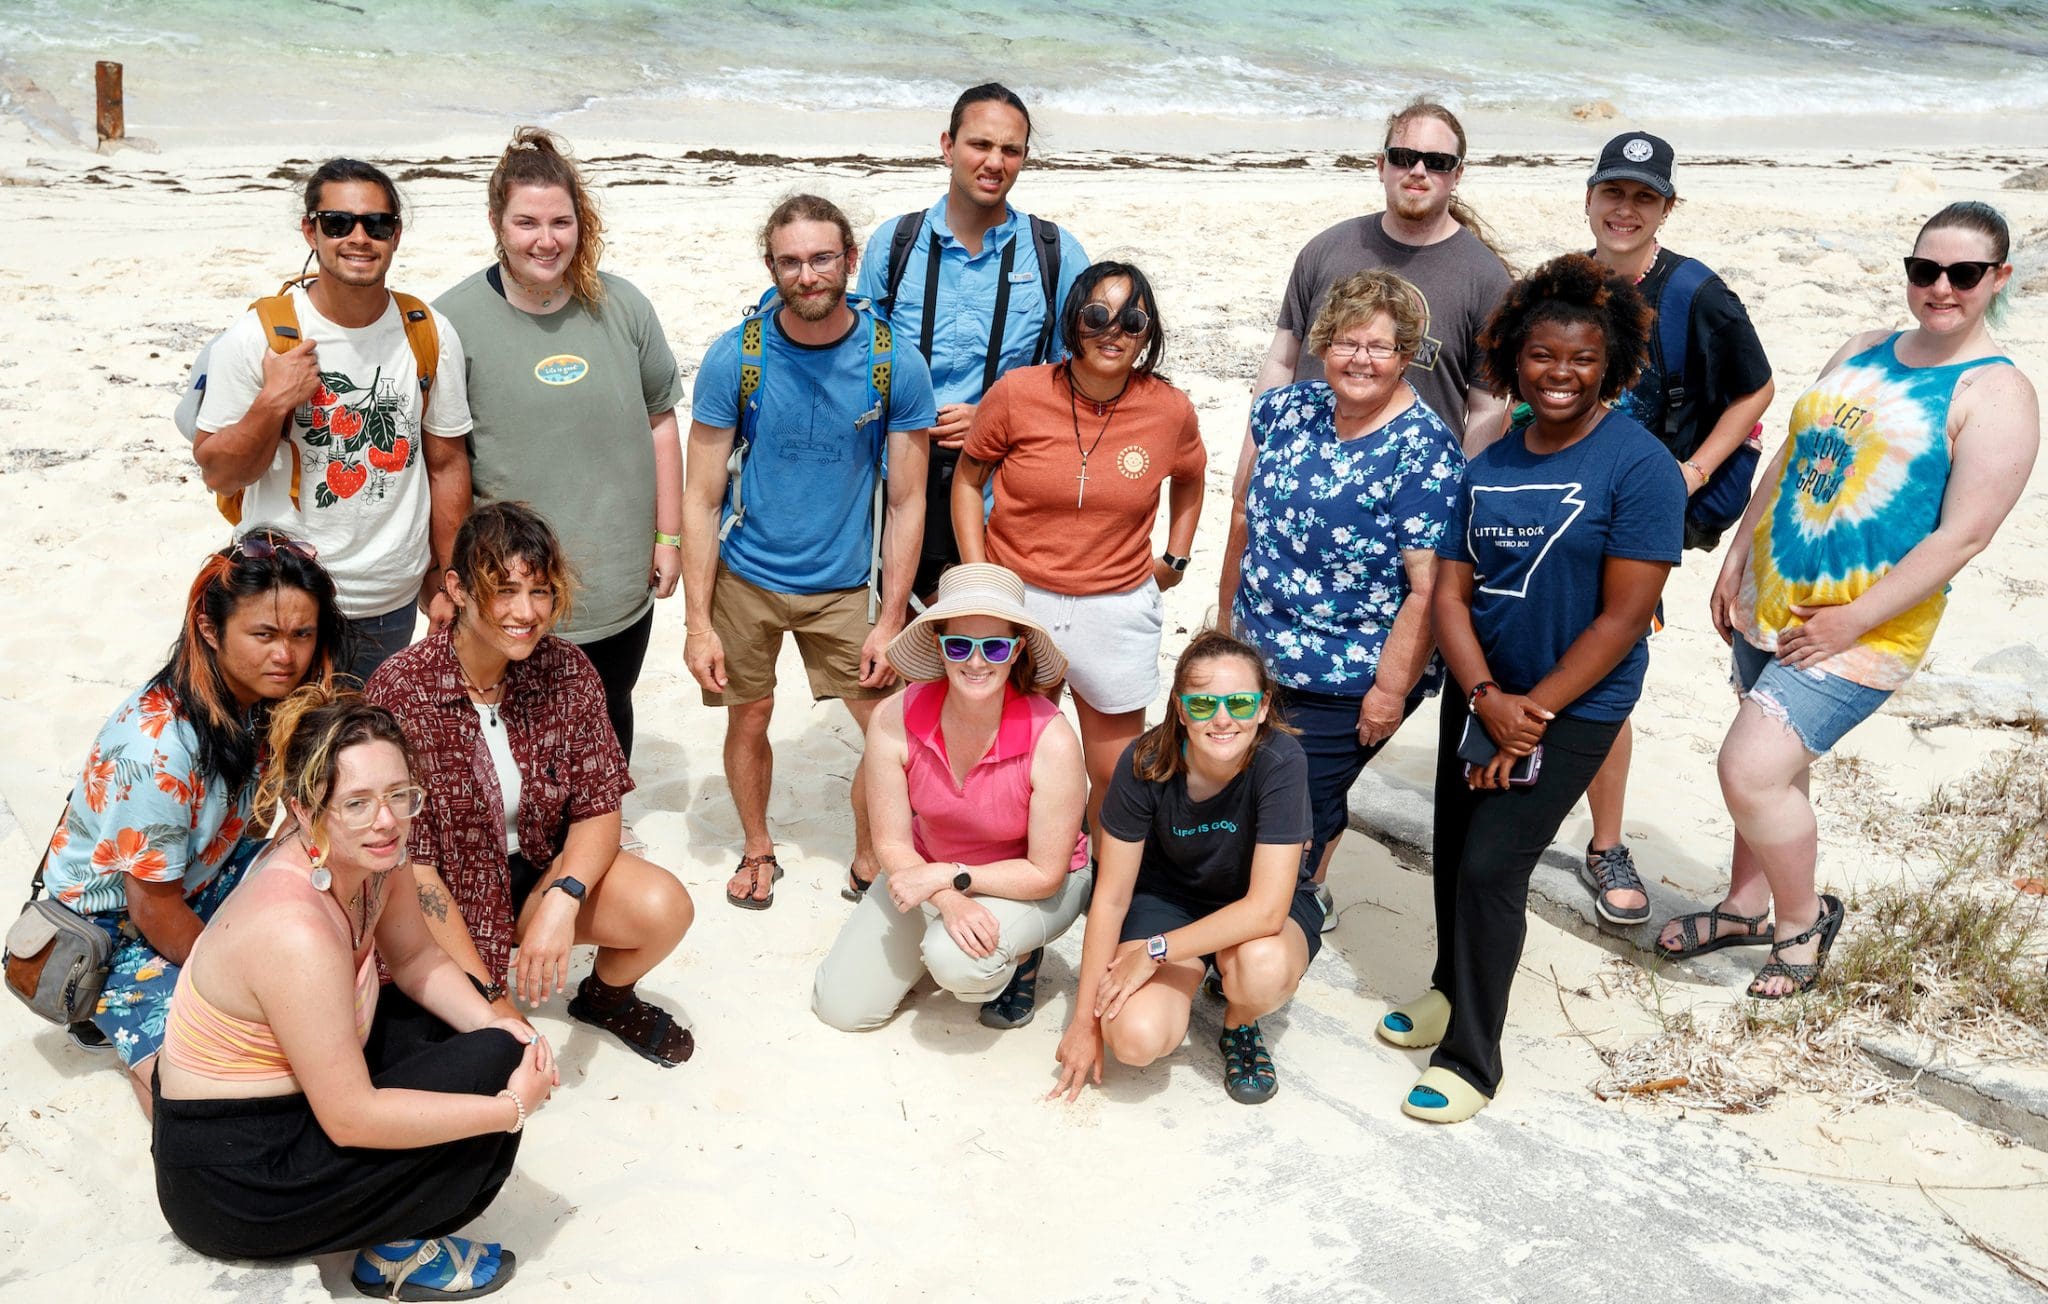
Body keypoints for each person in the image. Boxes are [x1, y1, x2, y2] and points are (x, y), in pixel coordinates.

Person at [1658, 202, 2040, 997]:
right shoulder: (1863, 347)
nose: (1940, 287)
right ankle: (1745, 906)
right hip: (1776, 592)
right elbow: (1796, 454)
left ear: (1998, 279)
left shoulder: (1996, 393)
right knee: (1778, 767)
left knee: (1751, 769)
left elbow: (1962, 539)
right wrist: (1736, 557)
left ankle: (1801, 924)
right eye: (1924, 270)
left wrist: (1853, 620)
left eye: (1963, 274)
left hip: (1864, 627)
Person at [1384, 254, 1682, 1124]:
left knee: (1491, 869)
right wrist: (1484, 698)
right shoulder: (1490, 464)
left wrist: (1534, 714)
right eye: (1543, 356)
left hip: (1572, 706)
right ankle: (1447, 989)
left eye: (1582, 360)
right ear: (1514, 357)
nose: (1560, 374)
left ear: (1612, 366)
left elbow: (1624, 618)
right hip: (1482, 696)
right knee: (1453, 853)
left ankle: (1473, 1056)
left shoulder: (1640, 467)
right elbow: (1450, 591)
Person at [153, 686, 553, 1298]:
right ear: (305, 807)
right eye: (357, 802)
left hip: (287, 1108)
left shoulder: (375, 854)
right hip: (238, 1180)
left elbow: (418, 960)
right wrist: (511, 1108)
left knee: (487, 1035)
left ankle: (397, 1216)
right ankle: (397, 1248)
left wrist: (512, 1029)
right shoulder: (294, 930)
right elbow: (349, 1118)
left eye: (399, 795)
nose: (387, 819)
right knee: (494, 1071)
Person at [367, 503, 697, 1067]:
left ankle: (603, 999)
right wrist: (498, 1003)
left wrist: (561, 903)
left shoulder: (568, 670)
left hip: (538, 870)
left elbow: (598, 807)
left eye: (540, 592)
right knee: (493, 1056)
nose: (526, 613)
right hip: (442, 895)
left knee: (664, 907)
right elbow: (410, 870)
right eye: (505, 591)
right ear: (460, 589)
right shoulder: (402, 691)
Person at [683, 194, 936, 910]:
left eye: (823, 258)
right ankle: (758, 847)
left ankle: (867, 852)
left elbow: (910, 500)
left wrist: (890, 621)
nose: (808, 275)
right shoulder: (738, 356)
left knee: (886, 726)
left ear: (850, 261)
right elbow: (701, 497)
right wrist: (698, 624)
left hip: (844, 586)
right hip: (747, 578)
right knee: (750, 717)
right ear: (772, 266)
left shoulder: (893, 361)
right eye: (791, 261)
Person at [38, 531, 344, 1113]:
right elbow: (151, 905)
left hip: (204, 878)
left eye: (303, 634)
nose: (287, 655)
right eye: (264, 634)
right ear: (210, 628)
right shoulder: (158, 746)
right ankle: (113, 1022)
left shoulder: (259, 701)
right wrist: (232, 978)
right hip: (118, 928)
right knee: (204, 1091)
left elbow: (254, 827)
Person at [1563, 131, 1776, 928]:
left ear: (1667, 207)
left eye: (1643, 197)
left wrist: (1690, 472)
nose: (1625, 210)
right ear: (1588, 197)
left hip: (1636, 528)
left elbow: (1755, 392)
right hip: (1553, 509)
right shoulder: (1561, 283)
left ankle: (1606, 843)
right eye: (1613, 193)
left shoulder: (1697, 293)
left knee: (1607, 681)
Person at [1219, 269, 1466, 933]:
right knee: (1237, 792)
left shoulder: (1425, 451)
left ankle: (1269, 938)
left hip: (1351, 673)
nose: (1360, 358)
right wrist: (1222, 632)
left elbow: (1428, 588)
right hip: (1256, 650)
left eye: (1379, 347)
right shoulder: (1283, 410)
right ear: (1324, 345)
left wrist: (1389, 690)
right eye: (1347, 342)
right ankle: (1273, 915)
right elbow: (1244, 520)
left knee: (1296, 811)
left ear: (1406, 355)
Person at [435, 127, 684, 762]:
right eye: (526, 222)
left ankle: (604, 836)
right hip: (508, 578)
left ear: (582, 222)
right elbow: (443, 462)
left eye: (561, 222)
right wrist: (444, 576)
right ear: (496, 221)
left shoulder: (623, 307)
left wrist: (668, 537)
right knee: (515, 719)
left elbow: (661, 422)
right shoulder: (452, 321)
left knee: (608, 704)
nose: (546, 240)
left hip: (615, 570)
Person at [192, 158, 474, 683]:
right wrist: (273, 401)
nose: (359, 237)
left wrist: (447, 576)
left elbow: (446, 463)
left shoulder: (429, 331)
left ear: (396, 234)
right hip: (281, 599)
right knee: (278, 753)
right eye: (338, 223)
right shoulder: (262, 336)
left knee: (358, 750)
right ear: (311, 230)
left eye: (377, 224)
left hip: (388, 601)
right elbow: (220, 474)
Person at [954, 261, 1205, 851]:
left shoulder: (1169, 409)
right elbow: (968, 481)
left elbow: (1191, 479)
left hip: (1115, 607)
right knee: (1015, 758)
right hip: (1020, 601)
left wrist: (1176, 557)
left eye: (1131, 320)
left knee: (1115, 773)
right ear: (1074, 320)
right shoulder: (1018, 392)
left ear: (1148, 333)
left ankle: (1102, 883)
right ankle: (1023, 871)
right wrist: (979, 575)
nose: (1112, 331)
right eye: (1097, 315)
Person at [811, 563, 1089, 1032]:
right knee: (840, 1009)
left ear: (1016, 650)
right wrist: (948, 898)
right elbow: (894, 845)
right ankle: (943, 935)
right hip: (930, 872)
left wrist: (949, 879)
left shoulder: (1053, 740)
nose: (976, 662)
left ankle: (1019, 956)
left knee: (959, 963)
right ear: (939, 646)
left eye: (994, 647)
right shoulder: (892, 718)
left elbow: (1044, 872)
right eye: (959, 644)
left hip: (1032, 880)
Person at [1050, 629, 1319, 1106]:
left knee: (1263, 970)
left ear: (1262, 706)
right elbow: (1110, 898)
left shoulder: (1282, 760)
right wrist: (1083, 1023)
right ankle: (1196, 975)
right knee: (1134, 1039)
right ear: (1179, 709)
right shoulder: (1146, 762)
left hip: (1252, 911)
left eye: (1239, 703)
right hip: (1168, 902)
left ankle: (1238, 1021)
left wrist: (1154, 952)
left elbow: (1265, 912)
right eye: (1202, 705)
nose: (1221, 719)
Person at [855, 83, 1089, 599]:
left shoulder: (1055, 254)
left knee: (991, 651)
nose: (994, 162)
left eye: (1010, 150)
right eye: (980, 145)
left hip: (1004, 491)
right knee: (898, 647)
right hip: (897, 483)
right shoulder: (895, 245)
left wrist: (991, 415)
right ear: (947, 146)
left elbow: (1079, 383)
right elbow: (861, 365)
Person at [1256, 99, 1512, 453]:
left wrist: (1464, 497)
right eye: (1403, 157)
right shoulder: (1325, 250)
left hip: (1416, 488)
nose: (1419, 170)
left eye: (1438, 162)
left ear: (1457, 176)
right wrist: (1250, 469)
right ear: (1381, 166)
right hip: (1304, 470)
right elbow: (1281, 363)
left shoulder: (1487, 280)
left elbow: (1487, 406)